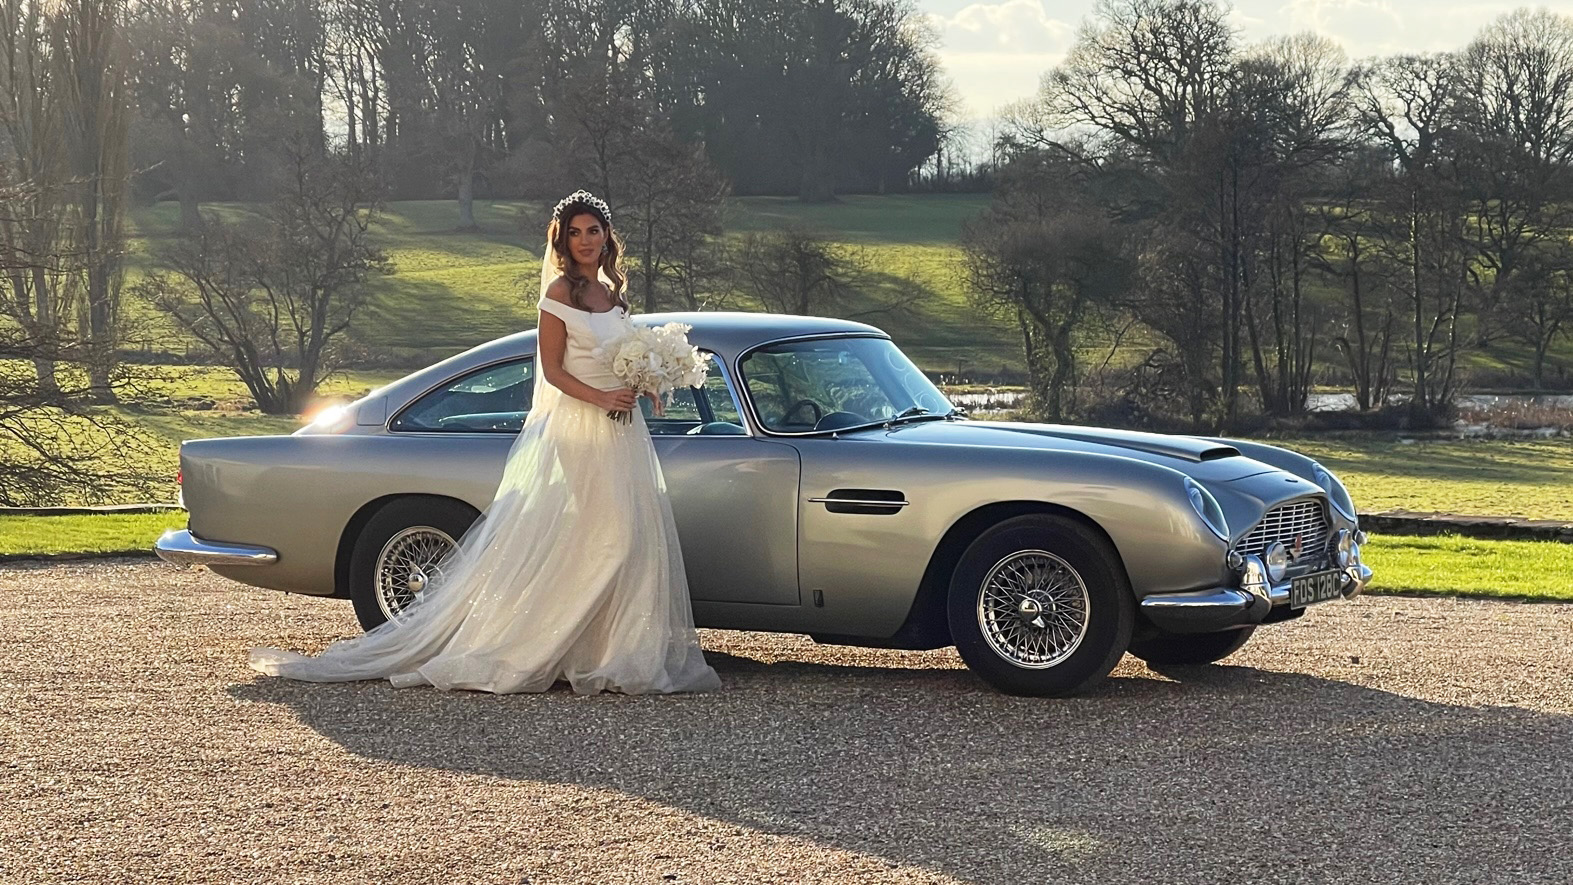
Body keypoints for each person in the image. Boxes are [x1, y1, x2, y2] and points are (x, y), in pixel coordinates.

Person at [249, 190, 721, 695]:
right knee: (612, 536)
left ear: (608, 236)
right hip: (579, 426)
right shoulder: (560, 294)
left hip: (621, 429)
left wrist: (648, 381)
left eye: (594, 231)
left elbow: (617, 354)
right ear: (563, 240)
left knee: (622, 534)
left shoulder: (613, 292)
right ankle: (539, 646)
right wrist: (601, 396)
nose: (586, 241)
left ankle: (606, 650)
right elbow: (555, 372)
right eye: (575, 233)